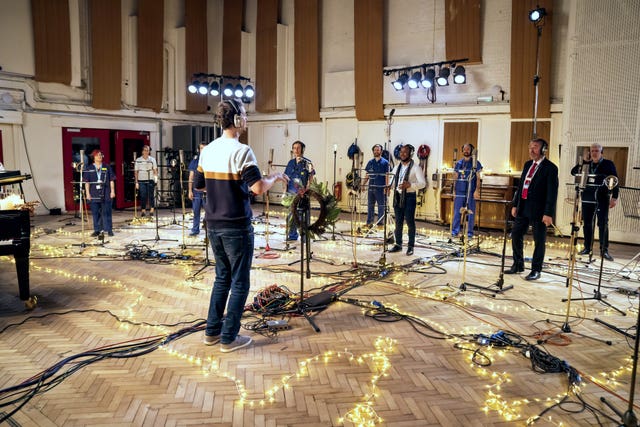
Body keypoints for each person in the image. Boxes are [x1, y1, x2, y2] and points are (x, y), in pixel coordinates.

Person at [194, 98, 288, 353]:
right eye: (244, 114)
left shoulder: (208, 150)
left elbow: (199, 185)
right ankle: (229, 338)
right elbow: (257, 188)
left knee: (221, 278)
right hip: (236, 225)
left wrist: (221, 186)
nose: (246, 118)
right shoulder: (242, 151)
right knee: (239, 283)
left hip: (212, 224)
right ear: (236, 120)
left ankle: (212, 332)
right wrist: (275, 177)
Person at [505, 138, 558, 281]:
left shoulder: (551, 168)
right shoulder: (527, 164)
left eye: (535, 147)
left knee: (539, 240)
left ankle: (536, 269)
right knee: (516, 234)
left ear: (543, 150)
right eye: (530, 147)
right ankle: (518, 264)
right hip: (523, 206)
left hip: (539, 210)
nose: (531, 150)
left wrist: (548, 213)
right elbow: (521, 186)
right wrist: (515, 204)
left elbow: (552, 193)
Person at [570, 143, 619, 261]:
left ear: (602, 152)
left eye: (597, 151)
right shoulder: (586, 164)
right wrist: (582, 162)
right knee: (587, 223)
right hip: (587, 198)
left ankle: (604, 250)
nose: (594, 153)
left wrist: (615, 197)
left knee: (602, 224)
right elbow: (573, 172)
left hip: (602, 198)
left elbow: (615, 180)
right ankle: (587, 247)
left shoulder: (608, 164)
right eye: (592, 151)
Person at [387, 144, 426, 256]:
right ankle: (398, 245)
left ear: (410, 154)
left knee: (410, 222)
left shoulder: (416, 168)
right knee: (398, 222)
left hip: (409, 197)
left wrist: (410, 185)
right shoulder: (396, 167)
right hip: (398, 196)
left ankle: (410, 246)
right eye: (401, 152)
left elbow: (423, 184)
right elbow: (393, 181)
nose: (402, 154)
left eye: (405, 152)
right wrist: (389, 186)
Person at [283, 140, 315, 241]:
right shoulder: (290, 163)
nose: (296, 150)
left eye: (298, 148)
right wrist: (284, 192)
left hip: (302, 194)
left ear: (302, 149)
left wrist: (308, 190)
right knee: (291, 215)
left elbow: (311, 178)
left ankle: (305, 237)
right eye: (294, 148)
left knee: (303, 216)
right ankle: (292, 235)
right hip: (291, 194)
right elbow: (285, 178)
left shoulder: (308, 162)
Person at [451, 143, 482, 239]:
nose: (466, 150)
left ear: (471, 150)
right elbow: (455, 178)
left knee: (470, 212)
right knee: (457, 212)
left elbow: (478, 178)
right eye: (464, 149)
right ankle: (455, 231)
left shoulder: (476, 163)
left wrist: (477, 190)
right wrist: (454, 191)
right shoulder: (459, 163)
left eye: (468, 149)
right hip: (460, 191)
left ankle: (469, 233)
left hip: (470, 191)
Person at [83, 150, 116, 237]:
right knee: (95, 212)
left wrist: (112, 191)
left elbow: (112, 180)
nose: (100, 156)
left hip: (106, 192)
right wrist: (87, 194)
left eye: (101, 155)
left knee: (107, 212)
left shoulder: (107, 167)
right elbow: (87, 182)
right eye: (97, 155)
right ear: (93, 157)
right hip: (94, 193)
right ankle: (97, 230)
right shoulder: (88, 168)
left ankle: (109, 229)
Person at [362, 144, 390, 228]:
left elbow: (387, 175)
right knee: (370, 205)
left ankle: (380, 223)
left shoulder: (385, 163)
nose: (376, 151)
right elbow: (367, 174)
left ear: (381, 151)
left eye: (378, 150)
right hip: (371, 187)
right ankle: (369, 222)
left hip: (381, 188)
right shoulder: (370, 162)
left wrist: (387, 187)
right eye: (375, 150)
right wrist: (363, 184)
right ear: (373, 151)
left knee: (381, 206)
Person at [188, 141, 208, 236]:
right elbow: (191, 177)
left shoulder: (212, 161)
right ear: (198, 150)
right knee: (196, 212)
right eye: (201, 148)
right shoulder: (195, 162)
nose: (203, 150)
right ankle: (195, 229)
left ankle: (209, 229)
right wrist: (189, 191)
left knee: (209, 212)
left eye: (205, 148)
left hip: (207, 192)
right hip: (196, 192)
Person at [134, 145, 158, 217]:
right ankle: (143, 210)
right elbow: (136, 172)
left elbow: (155, 170)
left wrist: (156, 179)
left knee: (151, 195)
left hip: (150, 179)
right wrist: (136, 182)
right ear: (142, 151)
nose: (146, 152)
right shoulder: (138, 160)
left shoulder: (152, 159)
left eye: (147, 150)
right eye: (144, 150)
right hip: (141, 180)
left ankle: (152, 209)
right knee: (143, 195)